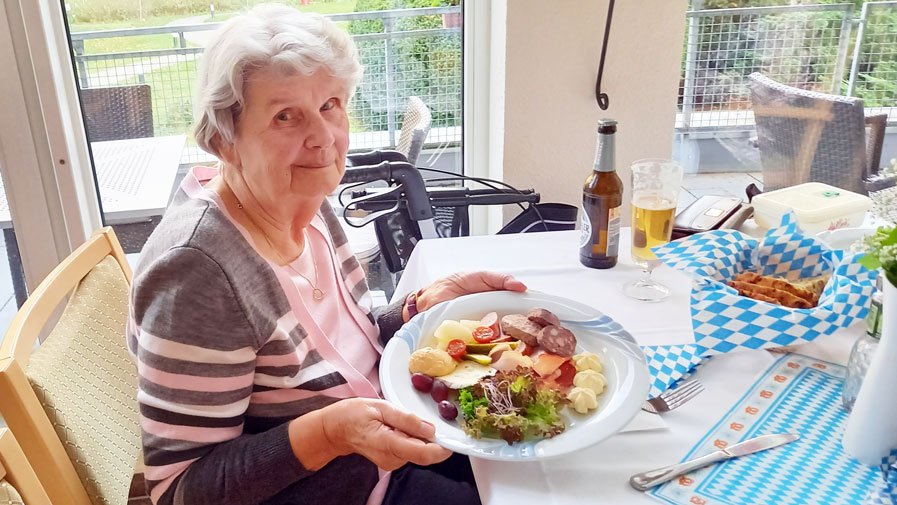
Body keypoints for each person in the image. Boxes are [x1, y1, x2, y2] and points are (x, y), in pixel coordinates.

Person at [126, 4, 526, 505]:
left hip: (385, 445)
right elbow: (180, 492)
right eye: (284, 116)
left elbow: (338, 352)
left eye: (331, 104)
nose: (322, 139)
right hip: (342, 487)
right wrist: (328, 436)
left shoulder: (306, 202)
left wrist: (416, 311)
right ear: (224, 140)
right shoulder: (198, 273)